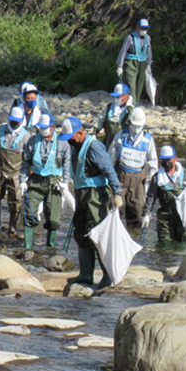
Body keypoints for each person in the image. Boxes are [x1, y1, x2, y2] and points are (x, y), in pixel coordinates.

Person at [59, 117, 123, 289]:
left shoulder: (94, 147)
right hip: (81, 193)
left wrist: (117, 192)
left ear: (80, 133)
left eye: (71, 138)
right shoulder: (75, 146)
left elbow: (108, 169)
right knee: (80, 232)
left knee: (97, 234)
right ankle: (86, 274)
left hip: (96, 195)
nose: (69, 142)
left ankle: (107, 276)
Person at [18, 113, 71, 249]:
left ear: (52, 127)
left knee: (53, 217)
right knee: (29, 211)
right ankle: (27, 246)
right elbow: (25, 163)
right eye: (40, 127)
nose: (42, 130)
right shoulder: (32, 141)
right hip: (35, 181)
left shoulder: (62, 143)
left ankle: (50, 247)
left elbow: (67, 164)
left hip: (54, 183)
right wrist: (22, 180)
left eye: (44, 127)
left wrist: (65, 182)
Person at [108, 107, 157, 229]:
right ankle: (115, 235)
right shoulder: (119, 137)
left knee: (137, 210)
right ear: (129, 122)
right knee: (116, 209)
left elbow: (153, 163)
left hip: (138, 181)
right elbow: (110, 161)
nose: (137, 128)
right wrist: (110, 181)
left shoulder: (148, 140)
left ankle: (134, 237)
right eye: (134, 124)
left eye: (139, 125)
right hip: (120, 178)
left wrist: (149, 185)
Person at [0, 106, 32, 237]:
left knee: (16, 200)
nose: (14, 123)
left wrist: (28, 174)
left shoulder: (26, 135)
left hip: (17, 173)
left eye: (16, 121)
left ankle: (12, 226)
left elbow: (29, 156)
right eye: (12, 120)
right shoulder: (0, 130)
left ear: (21, 121)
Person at [143, 145, 186, 244]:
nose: (166, 163)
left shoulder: (185, 174)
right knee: (164, 245)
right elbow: (151, 197)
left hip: (183, 217)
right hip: (165, 218)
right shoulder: (157, 177)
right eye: (163, 160)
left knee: (184, 245)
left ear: (175, 158)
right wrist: (146, 213)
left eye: (169, 160)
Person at [117, 18, 153, 102]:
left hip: (142, 63)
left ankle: (135, 103)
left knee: (140, 85)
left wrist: (149, 64)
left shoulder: (148, 38)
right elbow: (123, 52)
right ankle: (132, 105)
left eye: (146, 28)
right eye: (142, 28)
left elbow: (149, 51)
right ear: (138, 27)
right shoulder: (130, 38)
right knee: (131, 84)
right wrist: (119, 66)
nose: (144, 30)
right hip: (131, 64)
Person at [95, 82, 134, 148]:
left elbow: (134, 123)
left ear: (126, 96)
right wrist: (94, 134)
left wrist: (129, 107)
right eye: (115, 96)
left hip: (124, 145)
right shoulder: (109, 107)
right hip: (108, 143)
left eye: (118, 96)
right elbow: (100, 121)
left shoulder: (132, 110)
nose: (116, 98)